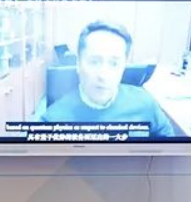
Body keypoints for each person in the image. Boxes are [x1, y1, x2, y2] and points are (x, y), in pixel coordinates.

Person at [41, 21, 175, 137]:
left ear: (123, 66)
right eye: (94, 62)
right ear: (78, 64)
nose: (103, 75)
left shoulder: (145, 103)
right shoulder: (52, 121)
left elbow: (169, 147)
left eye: (114, 63)